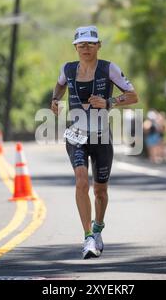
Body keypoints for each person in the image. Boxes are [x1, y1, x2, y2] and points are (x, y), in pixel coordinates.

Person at [51, 25, 139, 259]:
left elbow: (133, 95)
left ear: (98, 45)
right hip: (76, 135)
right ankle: (88, 237)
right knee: (81, 181)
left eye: (91, 44)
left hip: (101, 136)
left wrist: (109, 101)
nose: (86, 48)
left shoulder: (109, 68)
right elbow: (59, 84)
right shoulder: (68, 69)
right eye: (81, 45)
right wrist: (55, 99)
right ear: (75, 47)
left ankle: (98, 227)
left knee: (100, 190)